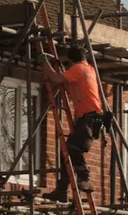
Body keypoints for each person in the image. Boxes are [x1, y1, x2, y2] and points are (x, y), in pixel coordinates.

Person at [42, 49, 107, 204]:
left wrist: (44, 62)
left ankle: (85, 179)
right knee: (66, 153)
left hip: (89, 117)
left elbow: (57, 79)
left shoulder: (79, 69)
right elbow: (69, 80)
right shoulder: (88, 68)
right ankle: (62, 191)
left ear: (71, 61)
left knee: (74, 148)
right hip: (90, 117)